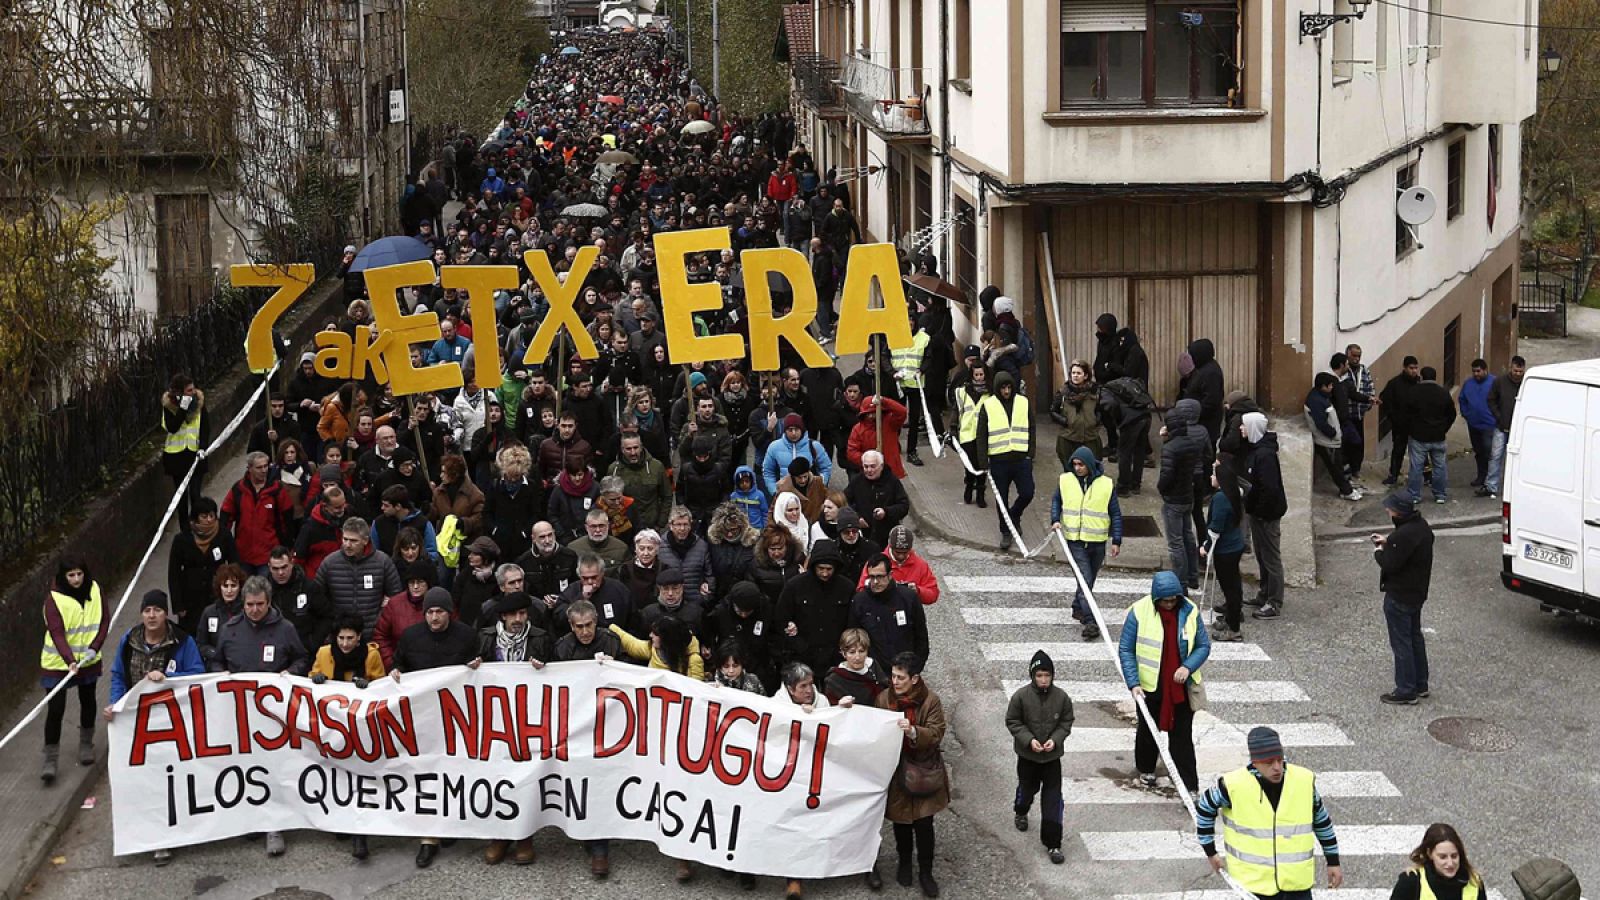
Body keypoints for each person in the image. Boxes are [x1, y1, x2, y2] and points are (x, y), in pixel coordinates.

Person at [103, 589, 204, 864]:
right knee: (144, 780)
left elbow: (197, 675)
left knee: (169, 779)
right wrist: (116, 705)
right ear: (141, 614)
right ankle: (148, 833)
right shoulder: (128, 641)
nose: (151, 615)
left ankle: (169, 835)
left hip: (173, 724)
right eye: (147, 611)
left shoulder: (183, 641)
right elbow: (118, 676)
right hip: (138, 725)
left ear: (165, 613)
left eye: (157, 610)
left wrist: (169, 676)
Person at [211, 576, 307, 856]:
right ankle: (252, 817)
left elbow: (302, 658)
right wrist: (220, 673)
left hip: (274, 715)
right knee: (246, 768)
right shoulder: (229, 630)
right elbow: (217, 659)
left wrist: (292, 674)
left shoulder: (286, 629)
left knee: (273, 768)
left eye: (259, 605)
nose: (254, 610)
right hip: (239, 713)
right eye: (250, 605)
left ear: (269, 602)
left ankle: (274, 826)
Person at [389, 588, 481, 869]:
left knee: (453, 774)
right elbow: (399, 664)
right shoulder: (411, 636)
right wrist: (395, 672)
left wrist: (477, 667)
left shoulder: (466, 635)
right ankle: (428, 838)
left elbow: (483, 667)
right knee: (426, 776)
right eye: (429, 612)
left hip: (457, 719)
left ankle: (450, 826)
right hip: (422, 720)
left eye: (439, 611)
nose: (434, 617)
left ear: (449, 612)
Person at [1196, 726, 1344, 898]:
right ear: (1255, 762)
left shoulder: (1303, 781)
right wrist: (1210, 851)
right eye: (1269, 762)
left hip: (1297, 887)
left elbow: (1322, 821)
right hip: (1254, 888)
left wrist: (1333, 861)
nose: (1277, 768)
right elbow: (1205, 808)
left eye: (1280, 760)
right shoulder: (1232, 786)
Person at [1118, 571, 1209, 792]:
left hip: (1182, 689)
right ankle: (1146, 769)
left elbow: (1203, 645)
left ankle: (1189, 786)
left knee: (1182, 739)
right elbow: (1126, 650)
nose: (1170, 604)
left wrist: (1187, 667)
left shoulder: (1190, 612)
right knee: (1147, 732)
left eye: (1173, 600)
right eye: (1165, 601)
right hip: (1150, 688)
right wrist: (1133, 683)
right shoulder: (1139, 613)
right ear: (1156, 598)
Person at [871, 652, 948, 898]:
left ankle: (926, 872)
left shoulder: (930, 701)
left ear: (914, 679)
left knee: (924, 824)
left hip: (923, 768)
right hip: (896, 770)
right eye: (893, 676)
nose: (895, 682)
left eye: (901, 677)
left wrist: (914, 732)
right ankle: (904, 863)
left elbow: (936, 732)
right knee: (901, 821)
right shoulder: (884, 699)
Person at [39, 556, 109, 783]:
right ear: (63, 577)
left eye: (79, 574)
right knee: (56, 709)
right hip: (58, 665)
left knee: (88, 700)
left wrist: (94, 647)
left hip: (87, 660)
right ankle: (50, 759)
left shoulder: (95, 590)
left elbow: (103, 621)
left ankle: (86, 745)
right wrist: (69, 659)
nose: (76, 579)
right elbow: (57, 632)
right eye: (71, 575)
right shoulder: (53, 600)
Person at [1006, 650, 1073, 865]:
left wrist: (1055, 739)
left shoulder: (1061, 697)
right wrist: (1029, 741)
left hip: (1052, 758)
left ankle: (1053, 843)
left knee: (1053, 799)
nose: (1043, 680)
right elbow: (1013, 721)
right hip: (1028, 757)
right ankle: (1021, 810)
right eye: (1039, 675)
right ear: (1032, 676)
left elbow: (1066, 722)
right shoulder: (1021, 697)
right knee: (1027, 789)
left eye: (1047, 675)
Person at [1050, 447, 1122, 640]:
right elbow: (1057, 500)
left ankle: (1077, 607)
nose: (1077, 468)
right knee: (1085, 578)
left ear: (1089, 465)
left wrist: (1116, 540)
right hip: (1075, 540)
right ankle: (1090, 620)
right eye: (1074, 464)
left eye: (1080, 464)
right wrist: (1055, 519)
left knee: (1088, 579)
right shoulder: (1065, 480)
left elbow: (1115, 512)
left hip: (1097, 542)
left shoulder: (1106, 485)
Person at [1374, 493, 1434, 705]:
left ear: (1398, 512)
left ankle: (1405, 689)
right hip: (1417, 593)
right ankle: (1420, 683)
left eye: (1390, 509)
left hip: (1399, 595)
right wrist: (1390, 542)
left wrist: (1379, 550)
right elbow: (1407, 548)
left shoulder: (1403, 536)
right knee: (1415, 637)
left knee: (1401, 643)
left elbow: (1390, 564)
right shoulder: (1422, 528)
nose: (1387, 512)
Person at [973, 371, 1035, 550]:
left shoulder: (1023, 402)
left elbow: (1031, 427)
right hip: (999, 460)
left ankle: (1014, 516)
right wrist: (983, 462)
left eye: (1009, 387)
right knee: (1001, 499)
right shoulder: (988, 405)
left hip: (1021, 459)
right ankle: (1005, 532)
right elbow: (981, 435)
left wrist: (1031, 453)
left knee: (1027, 493)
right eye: (1003, 388)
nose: (1006, 391)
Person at [315, 516, 403, 638]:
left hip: (373, 635)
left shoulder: (383, 562)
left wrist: (380, 620)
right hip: (339, 636)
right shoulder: (329, 563)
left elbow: (396, 596)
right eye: (345, 539)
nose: (347, 545)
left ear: (365, 541)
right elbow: (317, 597)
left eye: (353, 541)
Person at [1240, 412, 1288, 619]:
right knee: (1262, 556)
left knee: (1271, 558)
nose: (1241, 429)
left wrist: (1259, 511)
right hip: (1258, 513)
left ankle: (1274, 602)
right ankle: (1264, 593)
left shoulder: (1264, 455)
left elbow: (1269, 489)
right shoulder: (1256, 450)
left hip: (1265, 515)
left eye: (1244, 425)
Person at [167, 497, 239, 629]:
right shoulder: (182, 540)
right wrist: (178, 605)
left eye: (212, 515)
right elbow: (174, 574)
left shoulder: (224, 536)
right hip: (190, 599)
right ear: (195, 518)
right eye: (204, 516)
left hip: (216, 596)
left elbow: (235, 564)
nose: (209, 520)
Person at [848, 554, 929, 668]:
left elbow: (921, 636)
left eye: (880, 576)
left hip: (904, 671)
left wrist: (916, 667)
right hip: (873, 672)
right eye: (872, 577)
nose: (875, 581)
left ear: (890, 575)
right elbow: (853, 638)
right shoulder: (860, 601)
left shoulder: (909, 598)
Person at [1159, 399, 1206, 587]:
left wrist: (1161, 489)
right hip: (1188, 495)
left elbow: (1166, 475)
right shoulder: (1191, 443)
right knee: (1188, 536)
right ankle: (1193, 576)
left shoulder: (1170, 448)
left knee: (1175, 542)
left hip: (1174, 499)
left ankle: (1181, 580)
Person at [221, 452, 292, 575]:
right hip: (243, 555)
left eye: (266, 466)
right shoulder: (238, 489)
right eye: (259, 467)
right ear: (249, 469)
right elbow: (226, 516)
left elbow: (287, 520)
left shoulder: (277, 490)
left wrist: (287, 547)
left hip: (269, 555)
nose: (264, 470)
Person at [1201, 458, 1248, 642]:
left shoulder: (1221, 498)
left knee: (1230, 588)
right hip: (1234, 545)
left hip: (1225, 549)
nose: (1211, 477)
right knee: (1233, 585)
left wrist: (1206, 547)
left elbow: (1215, 528)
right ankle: (1230, 619)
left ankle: (1233, 628)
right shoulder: (1234, 492)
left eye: (1214, 475)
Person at [161, 373, 209, 529]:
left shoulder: (200, 403)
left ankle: (198, 525)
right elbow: (172, 427)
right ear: (180, 392)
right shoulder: (169, 406)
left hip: (195, 455)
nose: (193, 392)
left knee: (195, 494)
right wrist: (182, 409)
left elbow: (205, 427)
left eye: (193, 389)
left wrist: (203, 447)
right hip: (177, 457)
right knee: (181, 498)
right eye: (189, 390)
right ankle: (185, 530)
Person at [1389, 823, 1485, 900]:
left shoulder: (1474, 882)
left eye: (1454, 856)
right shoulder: (1411, 882)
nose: (1450, 863)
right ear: (1429, 853)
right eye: (1443, 857)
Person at [1305, 373, 1361, 501]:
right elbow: (1321, 423)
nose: (1331, 388)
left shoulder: (1320, 396)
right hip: (1327, 441)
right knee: (1335, 468)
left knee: (1338, 464)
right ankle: (1347, 491)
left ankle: (1346, 486)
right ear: (1322, 386)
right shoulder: (1316, 401)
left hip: (1331, 440)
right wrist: (1333, 433)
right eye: (1329, 386)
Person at [1406, 366, 1457, 505]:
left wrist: (1412, 429)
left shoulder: (1413, 392)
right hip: (1438, 436)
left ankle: (1414, 495)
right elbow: (1452, 414)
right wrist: (1443, 428)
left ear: (1421, 377)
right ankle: (1440, 494)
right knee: (1439, 466)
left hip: (1419, 436)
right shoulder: (1443, 393)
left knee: (1416, 467)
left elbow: (1407, 413)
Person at [855, 524, 939, 605]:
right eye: (898, 552)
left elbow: (933, 594)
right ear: (890, 546)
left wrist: (918, 590)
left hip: (909, 614)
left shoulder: (921, 565)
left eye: (905, 552)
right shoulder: (875, 563)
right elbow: (861, 590)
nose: (901, 555)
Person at [845, 450, 911, 547]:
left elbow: (904, 505)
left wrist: (886, 512)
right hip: (863, 536)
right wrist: (856, 517)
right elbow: (843, 501)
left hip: (886, 536)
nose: (869, 470)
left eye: (873, 466)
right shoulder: (857, 481)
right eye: (866, 466)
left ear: (881, 466)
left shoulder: (892, 481)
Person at [1483, 355, 1524, 499]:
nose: (1517, 374)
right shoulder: (1500, 381)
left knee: (1517, 458)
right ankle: (1491, 486)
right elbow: (1491, 399)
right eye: (1515, 371)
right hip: (1502, 426)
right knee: (1495, 456)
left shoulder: (1526, 383)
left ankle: (1515, 486)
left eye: (1520, 371)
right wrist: (1498, 416)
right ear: (1510, 368)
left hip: (1519, 428)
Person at [761, 412, 832, 494]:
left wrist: (819, 485)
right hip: (784, 496)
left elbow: (826, 468)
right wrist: (774, 491)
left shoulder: (815, 446)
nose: (793, 433)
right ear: (785, 431)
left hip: (810, 495)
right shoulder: (774, 447)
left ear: (802, 430)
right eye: (790, 429)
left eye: (796, 429)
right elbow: (768, 471)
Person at [1050, 360, 1102, 471]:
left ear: (1086, 375)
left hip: (1089, 437)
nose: (1075, 376)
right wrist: (1064, 421)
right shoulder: (1063, 392)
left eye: (1079, 373)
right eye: (1073, 373)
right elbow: (1053, 411)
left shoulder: (1094, 392)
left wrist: (1096, 420)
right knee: (1070, 472)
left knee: (1091, 470)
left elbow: (1100, 410)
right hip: (1068, 438)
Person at [1380, 356, 1422, 486]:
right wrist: (1393, 417)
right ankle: (1393, 475)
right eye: (1411, 368)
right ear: (1404, 368)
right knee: (1398, 451)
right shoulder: (1395, 383)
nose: (1414, 371)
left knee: (1420, 452)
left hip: (1417, 424)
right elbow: (1385, 399)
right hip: (1400, 425)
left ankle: (1426, 475)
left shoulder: (1420, 383)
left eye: (1416, 368)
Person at [1458, 358, 1497, 496]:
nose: (1476, 374)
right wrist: (1466, 413)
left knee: (1488, 452)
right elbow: (1462, 399)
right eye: (1474, 371)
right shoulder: (1468, 384)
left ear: (1485, 370)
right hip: (1474, 424)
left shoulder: (1494, 383)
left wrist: (1496, 416)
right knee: (1479, 451)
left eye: (1478, 371)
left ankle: (1489, 478)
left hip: (1489, 425)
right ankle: (1481, 476)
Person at [953, 361, 988, 507]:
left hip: (983, 436)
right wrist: (953, 428)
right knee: (970, 465)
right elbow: (957, 411)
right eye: (976, 375)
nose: (979, 378)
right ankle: (969, 486)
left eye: (981, 374)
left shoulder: (990, 393)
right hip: (967, 434)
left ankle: (980, 493)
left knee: (982, 466)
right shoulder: (963, 392)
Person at [1342, 344, 1377, 481]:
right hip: (1347, 414)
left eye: (1358, 356)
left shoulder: (1364, 370)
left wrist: (1368, 404)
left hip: (1359, 414)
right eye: (1354, 356)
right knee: (1349, 442)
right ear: (1348, 355)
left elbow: (1370, 387)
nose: (1356, 359)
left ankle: (1356, 469)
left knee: (1359, 443)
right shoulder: (1344, 371)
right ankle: (1346, 469)